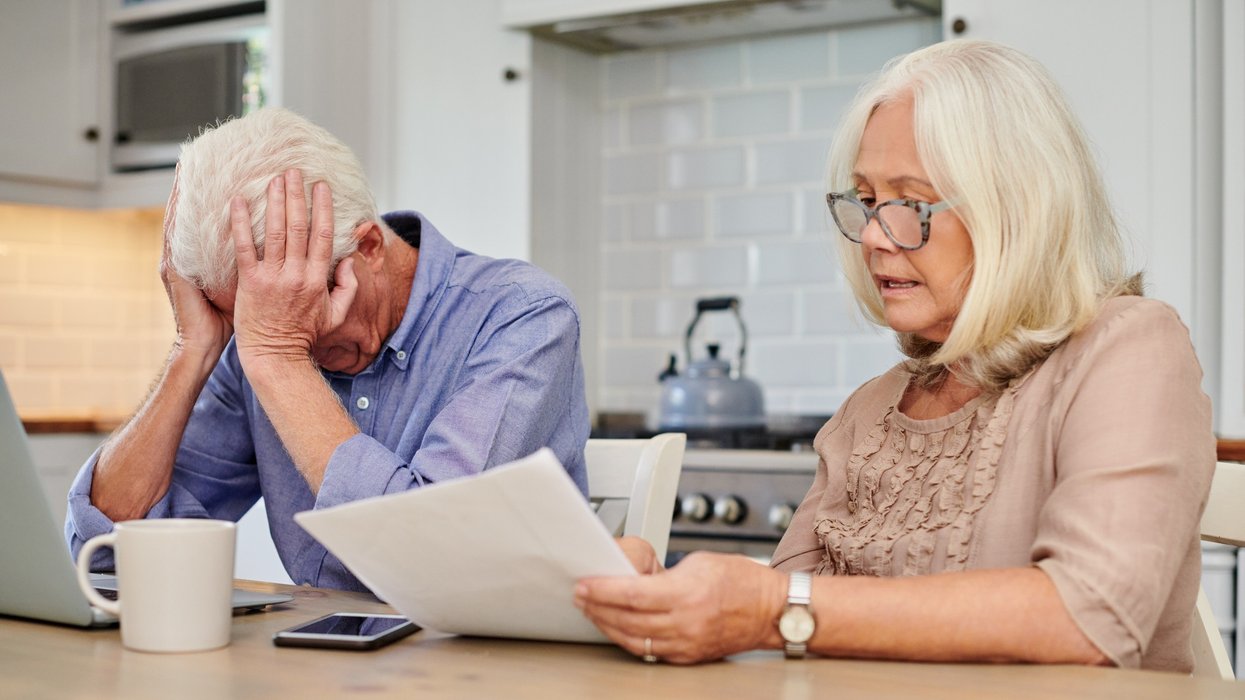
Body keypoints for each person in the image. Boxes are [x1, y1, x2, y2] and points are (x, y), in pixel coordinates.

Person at [575, 39, 1215, 673]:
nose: (877, 237)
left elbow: (1091, 620)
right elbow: (788, 610)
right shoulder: (870, 409)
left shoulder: (1128, 346)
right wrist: (664, 600)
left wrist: (770, 608)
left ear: (1017, 210)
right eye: (866, 201)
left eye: (910, 204)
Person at [66, 107, 591, 592]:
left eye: (298, 304)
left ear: (367, 248)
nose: (286, 331)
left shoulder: (524, 316)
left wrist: (279, 357)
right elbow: (107, 555)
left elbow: (431, 561)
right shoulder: (256, 337)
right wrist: (193, 349)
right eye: (254, 318)